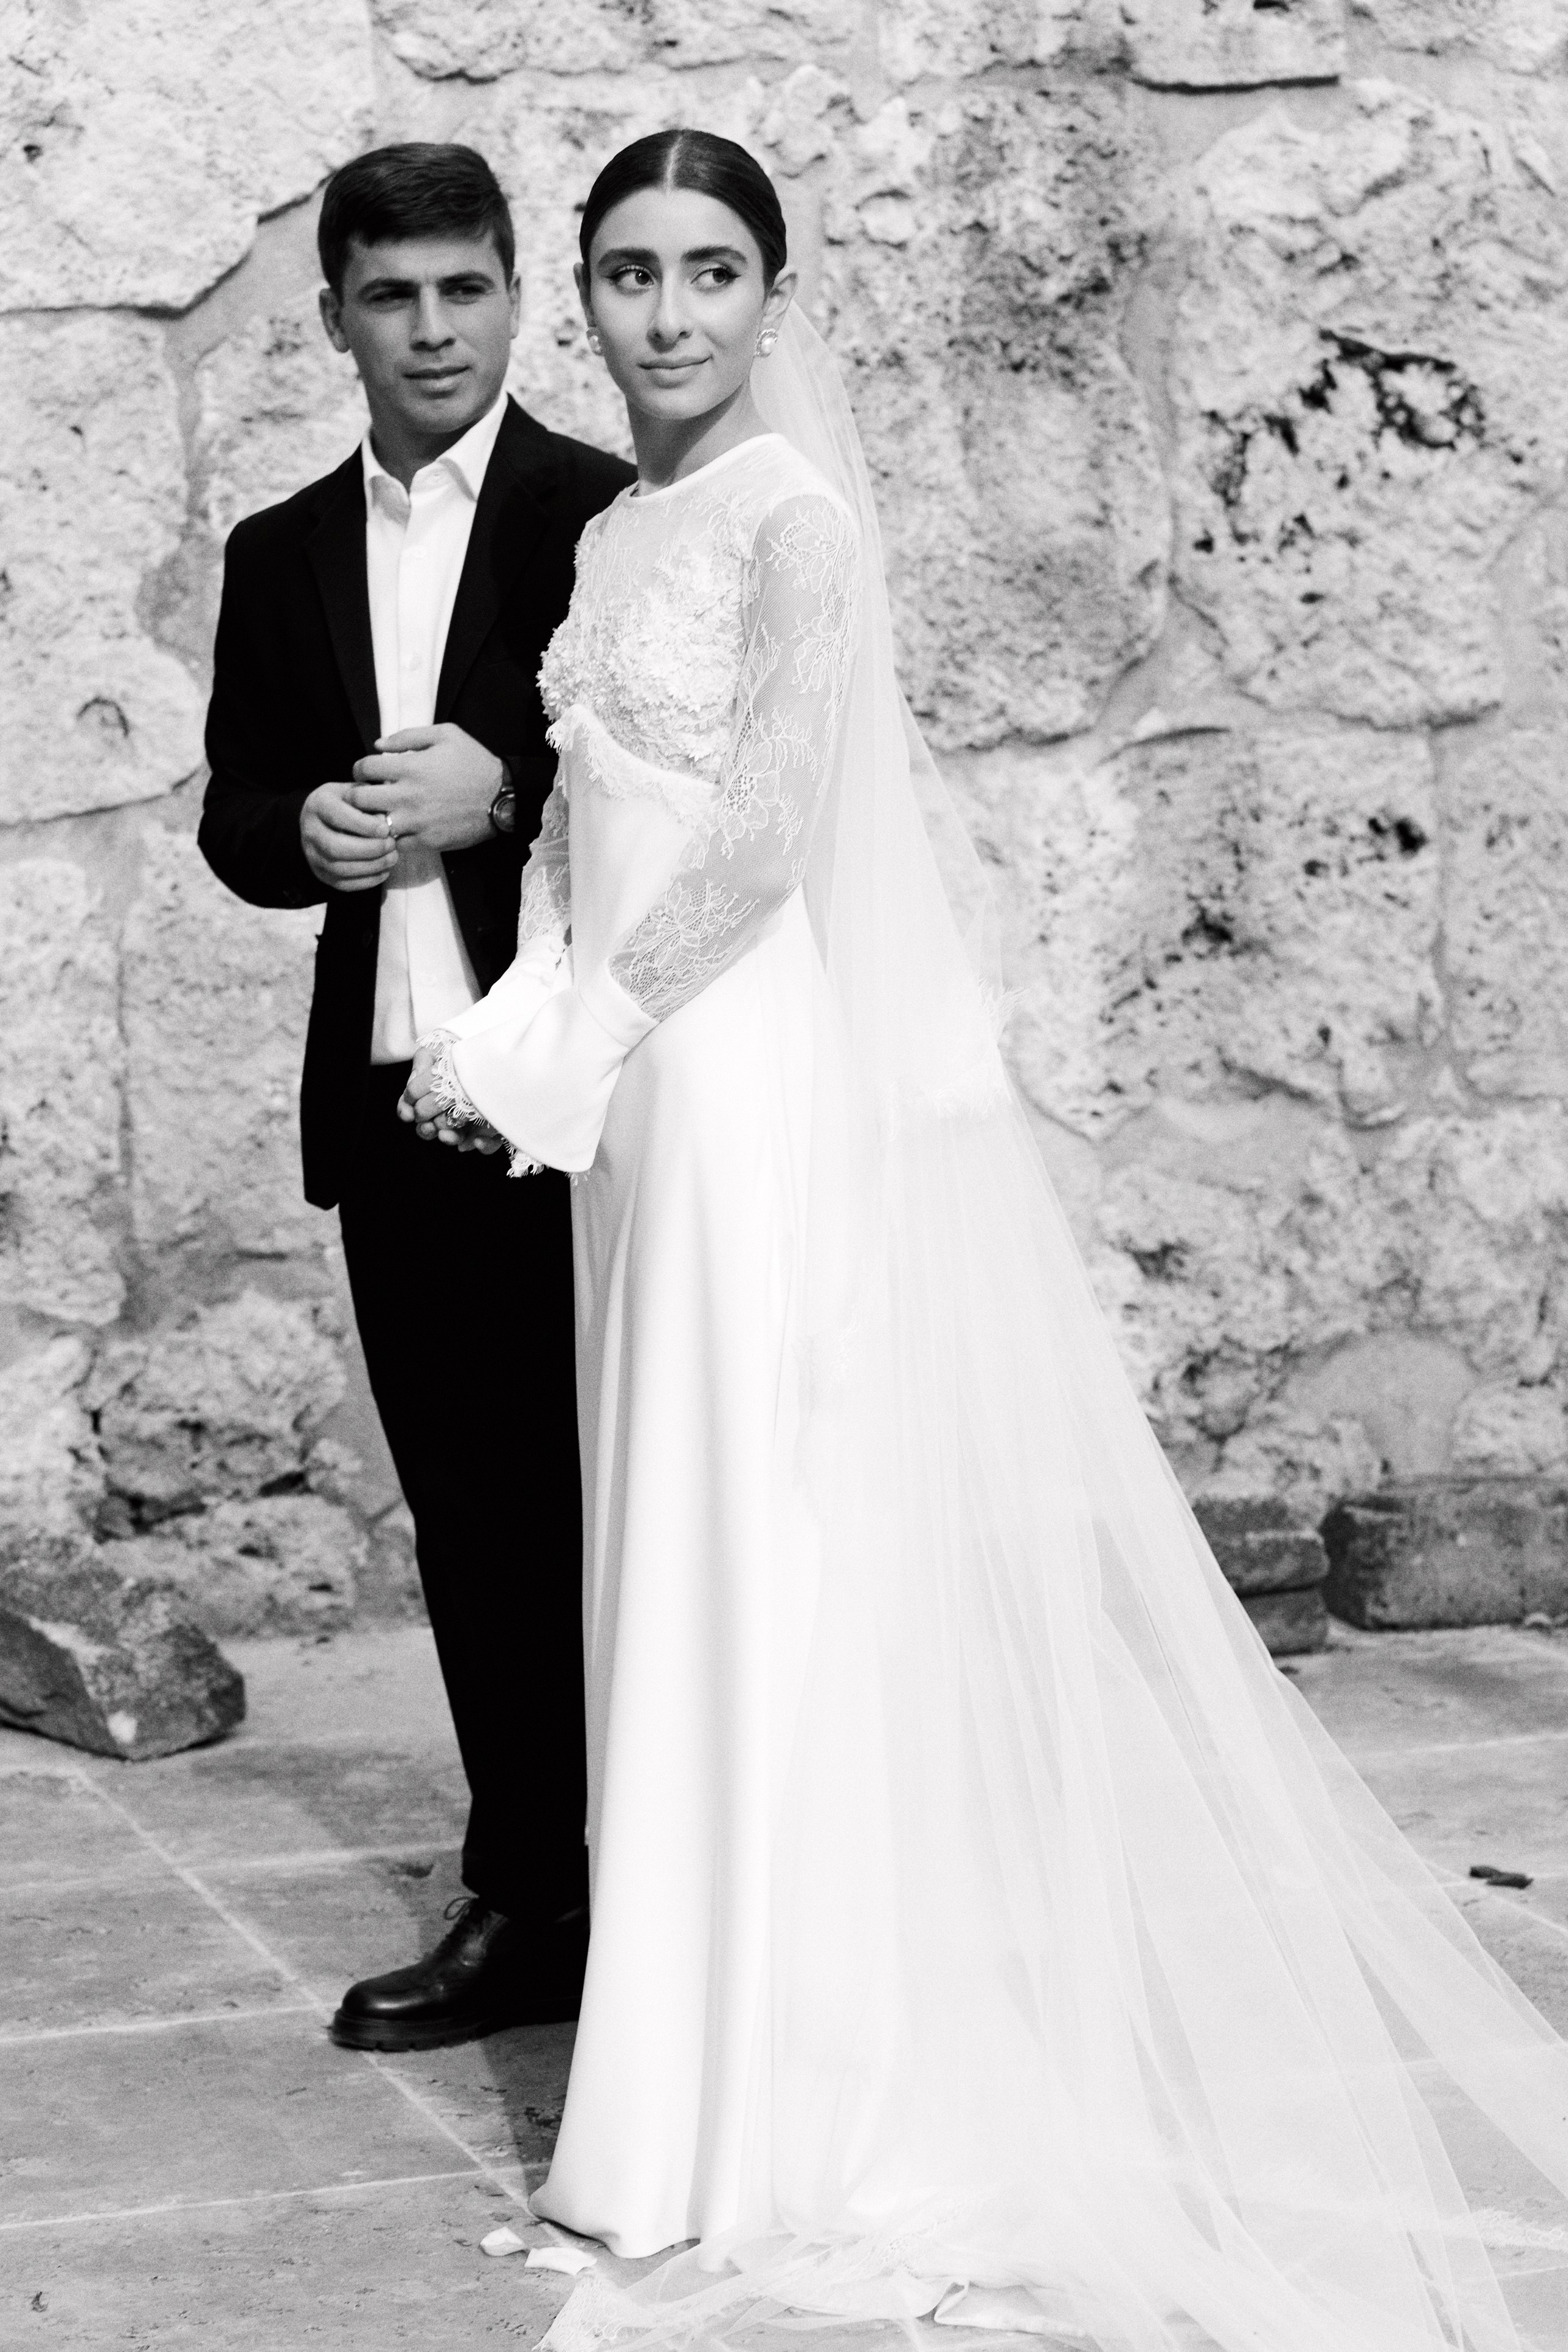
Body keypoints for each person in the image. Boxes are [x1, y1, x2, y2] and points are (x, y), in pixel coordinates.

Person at [405, 129, 1568, 2351]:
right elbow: (586, 810)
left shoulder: (794, 521)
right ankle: (684, 2090)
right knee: (664, 1562)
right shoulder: (626, 524)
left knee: (757, 1551)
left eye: (714, 271)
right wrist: (549, 1025)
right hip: (634, 1114)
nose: (669, 313)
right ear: (587, 290)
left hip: (734, 1081)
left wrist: (574, 1020)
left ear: (774, 296)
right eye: (634, 272)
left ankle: (788, 2108)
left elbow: (754, 845)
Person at [198, 142, 633, 2051]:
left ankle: (670, 1893)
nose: (434, 329)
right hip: (393, 1096)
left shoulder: (606, 514)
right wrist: (300, 828)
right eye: (395, 295)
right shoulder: (277, 553)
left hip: (599, 1096)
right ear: (337, 320)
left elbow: (691, 799)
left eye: (467, 288)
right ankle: (530, 1894)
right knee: (469, 1508)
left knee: (627, 1498)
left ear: (517, 294)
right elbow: (233, 824)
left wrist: (511, 798)